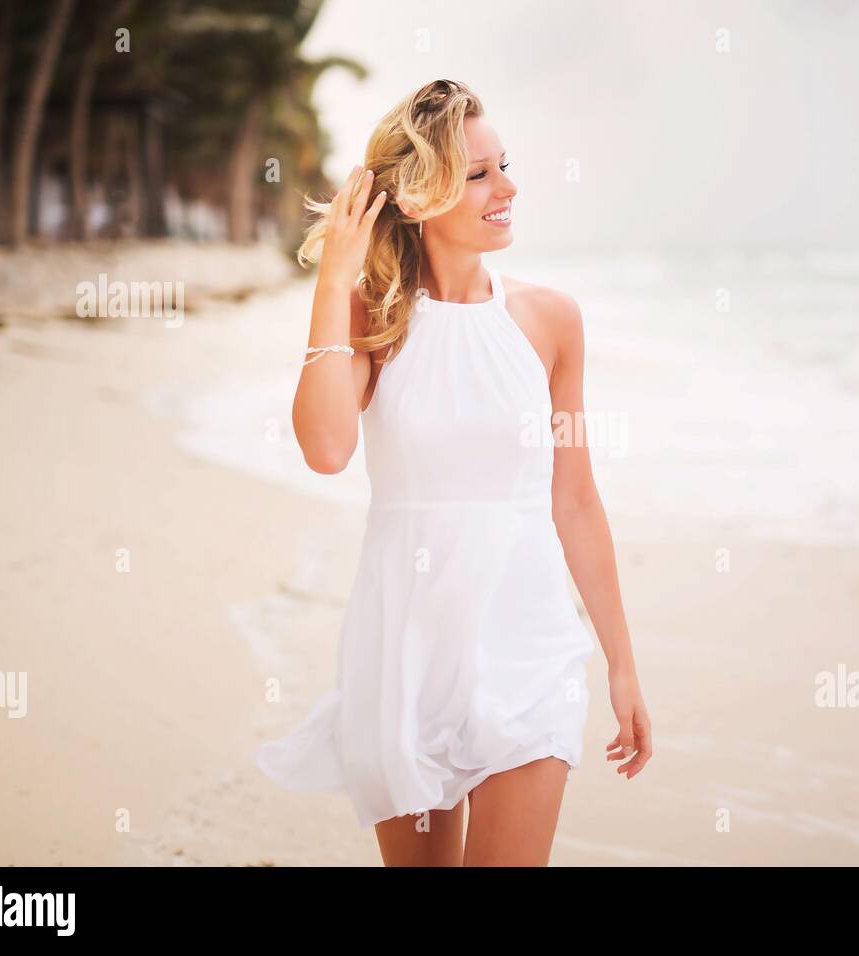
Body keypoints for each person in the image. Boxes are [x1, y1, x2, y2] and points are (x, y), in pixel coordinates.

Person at [255, 79, 651, 867]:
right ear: (415, 196)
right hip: (406, 654)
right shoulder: (373, 315)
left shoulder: (551, 321)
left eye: (503, 166)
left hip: (529, 649)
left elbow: (573, 500)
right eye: (478, 175)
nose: (507, 188)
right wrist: (334, 282)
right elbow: (327, 448)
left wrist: (621, 663)